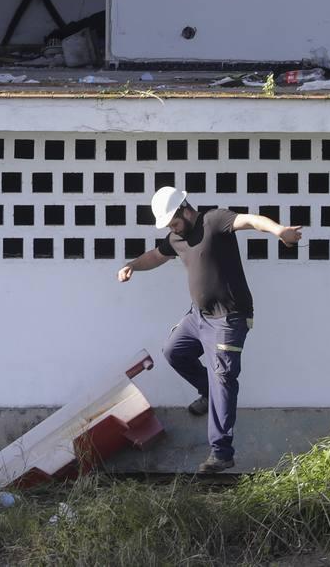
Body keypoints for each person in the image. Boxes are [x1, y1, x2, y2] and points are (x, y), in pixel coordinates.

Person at [117, 186, 302, 474]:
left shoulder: (214, 221)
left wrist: (279, 231)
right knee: (173, 352)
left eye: (174, 222)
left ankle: (221, 453)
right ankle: (206, 392)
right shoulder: (176, 237)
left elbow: (251, 220)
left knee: (223, 378)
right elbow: (156, 255)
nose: (173, 228)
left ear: (185, 209)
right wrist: (132, 266)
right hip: (199, 317)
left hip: (229, 319)